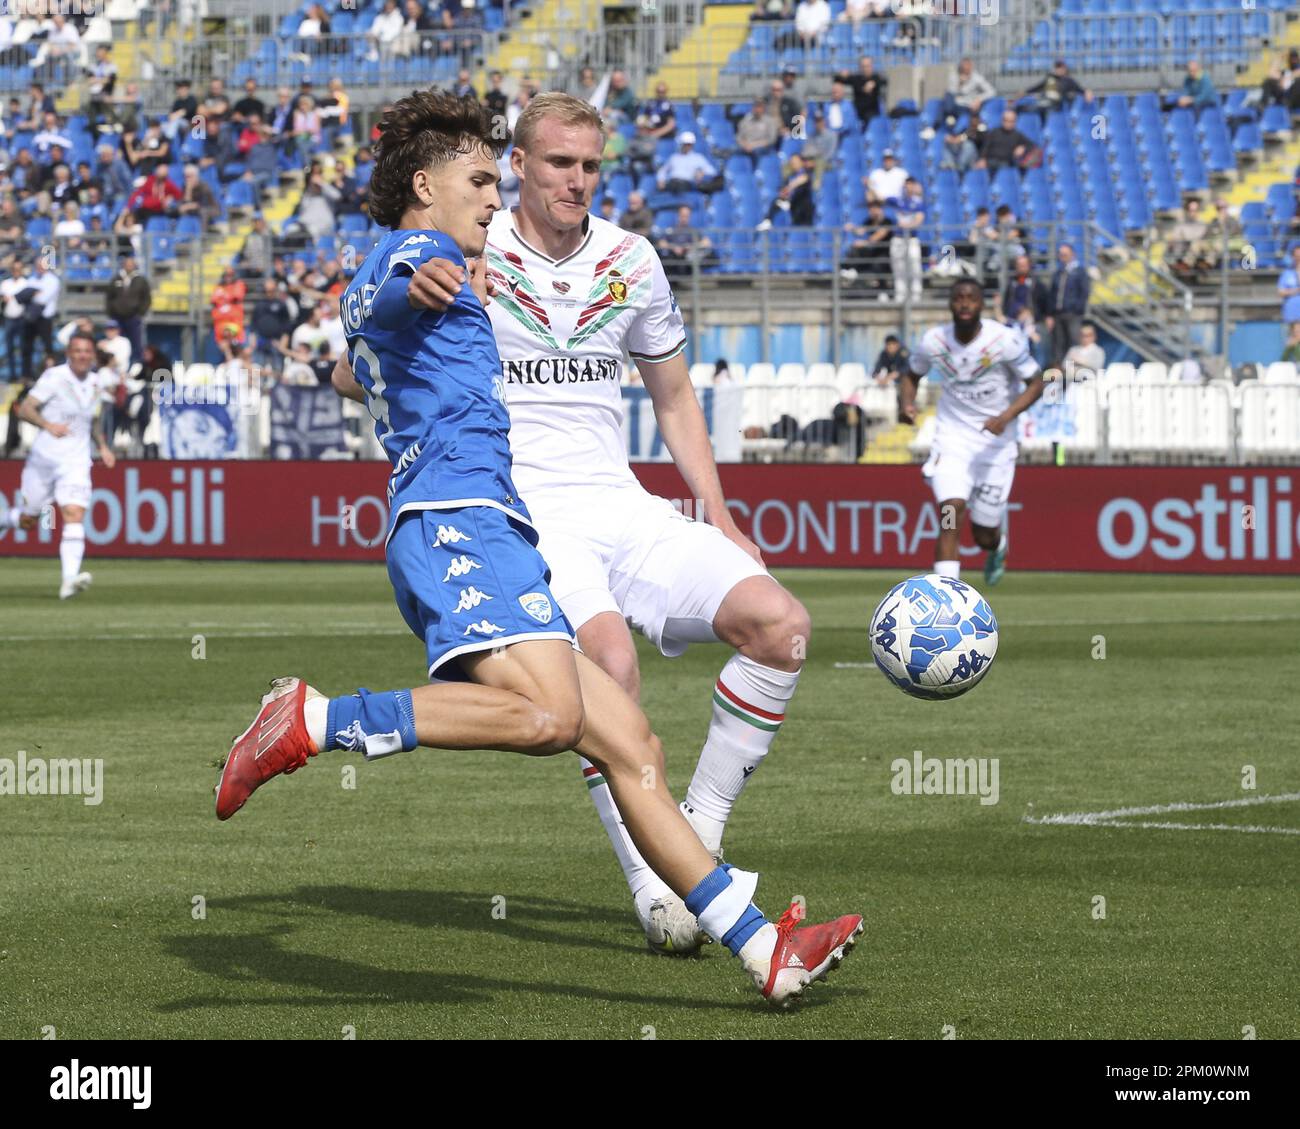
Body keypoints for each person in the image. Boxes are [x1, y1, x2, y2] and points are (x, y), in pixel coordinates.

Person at [221, 91, 862, 1007]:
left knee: (633, 744)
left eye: (496, 179)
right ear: (424, 184)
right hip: (458, 521)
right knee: (554, 720)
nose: (491, 197)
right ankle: (316, 719)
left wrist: (405, 311)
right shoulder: (426, 253)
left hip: (494, 527)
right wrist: (413, 282)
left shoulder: (490, 266)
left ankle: (767, 951)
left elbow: (361, 333)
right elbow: (382, 286)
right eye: (480, 179)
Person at [403, 93, 836, 963]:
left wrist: (717, 512)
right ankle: (652, 880)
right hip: (526, 512)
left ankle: (697, 835)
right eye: (560, 163)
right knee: (611, 667)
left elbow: (674, 396)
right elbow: (359, 367)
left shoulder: (631, 260)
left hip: (624, 503)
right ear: (518, 165)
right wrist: (413, 311)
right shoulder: (463, 252)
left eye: (591, 165)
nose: (578, 180)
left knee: (782, 627)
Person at [899, 279, 1044, 586]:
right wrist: (907, 404)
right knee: (950, 513)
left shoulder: (1004, 341)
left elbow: (1036, 382)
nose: (964, 304)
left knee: (983, 533)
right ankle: (947, 595)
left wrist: (1006, 416)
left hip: (996, 447)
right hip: (952, 441)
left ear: (982, 304)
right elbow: (911, 375)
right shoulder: (934, 341)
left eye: (971, 299)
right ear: (951, 304)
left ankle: (997, 546)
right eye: (958, 298)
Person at [0, 334, 117, 598]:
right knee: (30, 519)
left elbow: (93, 421)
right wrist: (48, 425)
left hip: (75, 461)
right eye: (77, 350)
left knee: (74, 513)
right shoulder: (54, 377)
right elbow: (25, 409)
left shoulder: (96, 383)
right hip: (44, 460)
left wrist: (102, 446)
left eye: (87, 351)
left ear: (93, 355)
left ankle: (69, 580)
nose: (83, 355)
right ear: (69, 353)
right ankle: (6, 519)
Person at [1046, 242, 1090, 366]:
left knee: (1073, 342)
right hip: (1058, 314)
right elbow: (1052, 293)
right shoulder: (1058, 273)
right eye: (1061, 254)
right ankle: (1059, 371)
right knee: (1058, 344)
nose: (1062, 257)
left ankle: (1073, 370)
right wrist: (1050, 314)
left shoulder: (1079, 272)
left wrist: (1077, 309)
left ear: (1072, 255)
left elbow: (1084, 292)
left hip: (1072, 313)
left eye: (1065, 254)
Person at [106, 254, 151, 362]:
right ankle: (118, 365)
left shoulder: (140, 280)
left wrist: (140, 313)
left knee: (136, 344)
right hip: (118, 318)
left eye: (131, 264)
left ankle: (137, 366)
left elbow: (146, 298)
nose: (129, 267)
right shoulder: (116, 279)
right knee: (117, 343)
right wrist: (112, 312)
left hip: (133, 317)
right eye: (127, 264)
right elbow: (109, 297)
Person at [1015, 60, 1091, 115]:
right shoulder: (1050, 78)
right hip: (1043, 101)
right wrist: (1025, 92)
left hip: (1055, 104)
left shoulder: (1068, 81)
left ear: (1064, 68)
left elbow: (1079, 89)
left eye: (1060, 67)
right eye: (1057, 67)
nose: (1059, 69)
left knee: (1042, 108)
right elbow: (1038, 87)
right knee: (1018, 108)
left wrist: (1086, 92)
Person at [656, 132, 722, 195]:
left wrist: (702, 172)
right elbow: (663, 171)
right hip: (672, 183)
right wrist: (661, 180)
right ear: (681, 144)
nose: (687, 146)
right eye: (685, 144)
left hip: (686, 184)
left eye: (689, 144)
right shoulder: (674, 157)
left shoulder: (698, 158)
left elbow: (712, 171)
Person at [1278, 245, 1300, 324]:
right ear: (1293, 257)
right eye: (1297, 256)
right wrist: (1295, 291)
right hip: (1291, 316)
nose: (1298, 259)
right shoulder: (1286, 273)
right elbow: (1281, 292)